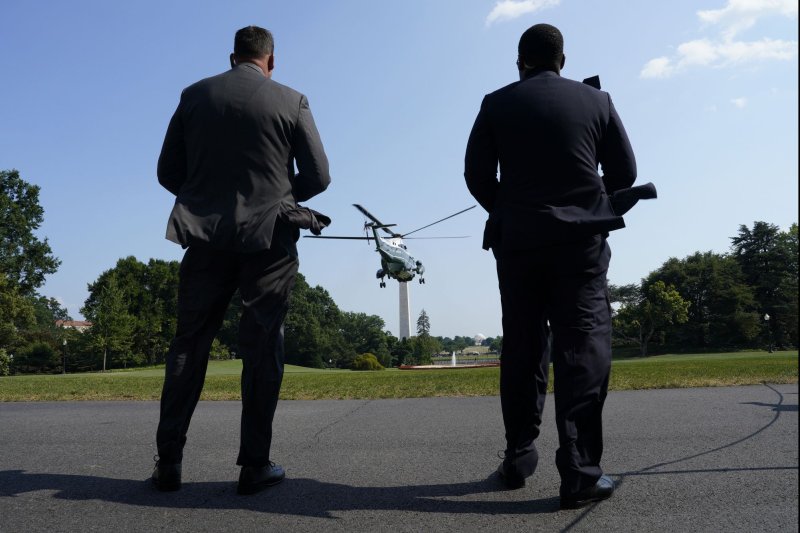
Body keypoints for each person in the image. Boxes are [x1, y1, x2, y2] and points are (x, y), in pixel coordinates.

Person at [464, 23, 636, 509]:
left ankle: (519, 456)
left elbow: (476, 175)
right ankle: (580, 472)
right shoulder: (597, 102)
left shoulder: (496, 102)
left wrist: (510, 209)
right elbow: (625, 173)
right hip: (579, 244)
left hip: (518, 244)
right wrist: (588, 198)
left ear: (520, 61)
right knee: (582, 347)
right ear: (563, 60)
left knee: (522, 347)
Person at [152, 25, 331, 495]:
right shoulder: (291, 100)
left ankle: (168, 461)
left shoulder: (193, 95)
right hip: (269, 240)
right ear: (271, 60)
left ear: (233, 57)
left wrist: (205, 197)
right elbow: (320, 174)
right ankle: (254, 465)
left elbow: (167, 170)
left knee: (189, 343)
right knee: (262, 343)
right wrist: (279, 200)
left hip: (206, 237)